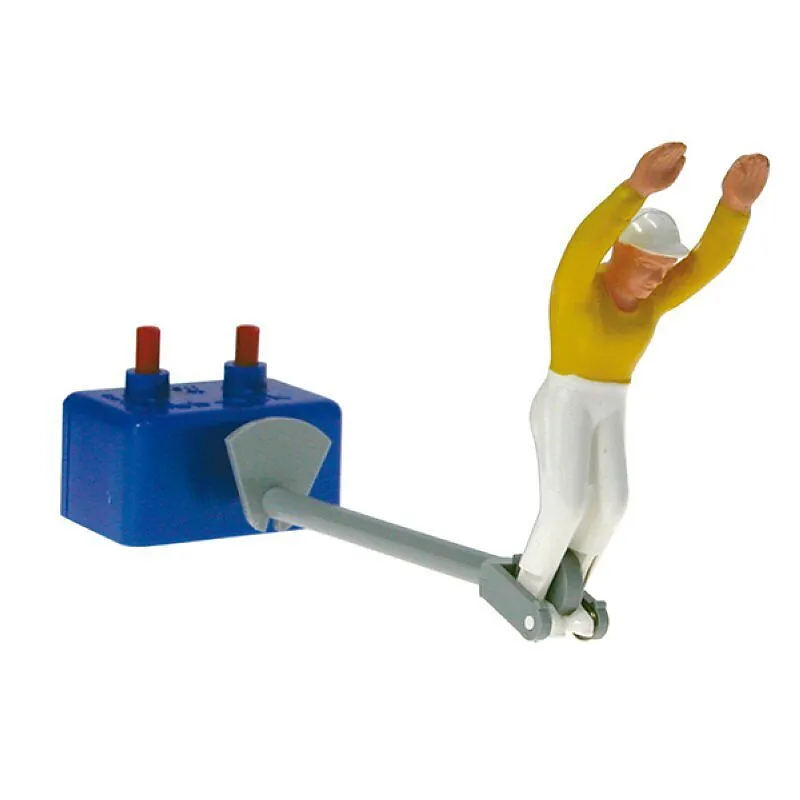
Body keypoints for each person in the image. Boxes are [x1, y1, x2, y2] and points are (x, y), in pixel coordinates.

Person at [517, 142, 770, 634]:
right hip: (565, 399)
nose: (657, 279)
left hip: (610, 403)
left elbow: (704, 265)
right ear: (620, 254)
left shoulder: (652, 303)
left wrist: (734, 208)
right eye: (647, 266)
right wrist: (635, 190)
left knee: (612, 505)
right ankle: (527, 590)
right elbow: (584, 242)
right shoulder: (578, 289)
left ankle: (569, 592)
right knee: (566, 503)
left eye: (663, 270)